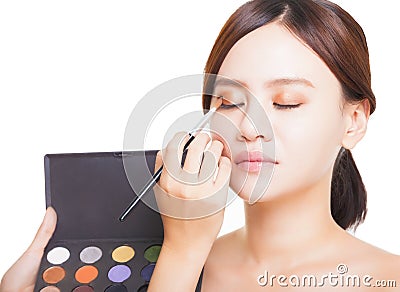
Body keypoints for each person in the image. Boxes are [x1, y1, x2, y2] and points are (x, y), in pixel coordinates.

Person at [1, 0, 399, 291]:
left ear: (354, 121)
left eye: (286, 102)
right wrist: (182, 252)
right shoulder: (150, 263)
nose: (249, 127)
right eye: (228, 102)